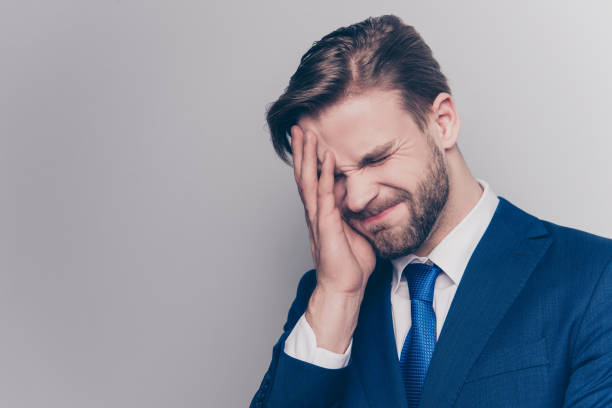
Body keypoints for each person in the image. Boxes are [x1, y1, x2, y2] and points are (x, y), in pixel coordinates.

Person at [250, 14, 612, 408]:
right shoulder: (323, 299)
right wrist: (338, 296)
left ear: (443, 123)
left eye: (376, 159)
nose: (356, 198)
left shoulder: (593, 277)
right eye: (332, 175)